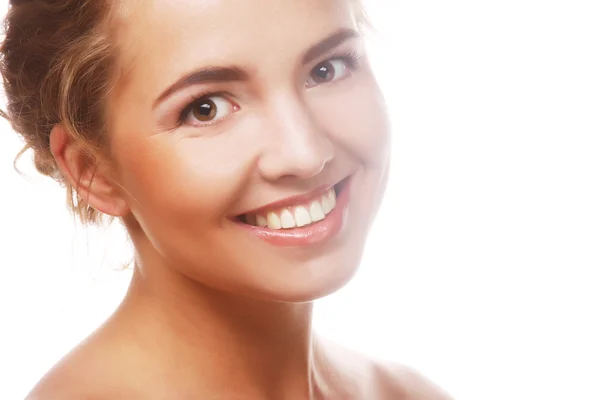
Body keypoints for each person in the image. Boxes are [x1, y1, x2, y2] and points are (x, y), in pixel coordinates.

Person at [1, 0, 453, 398]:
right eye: (207, 107)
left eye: (326, 69)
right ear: (93, 171)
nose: (306, 153)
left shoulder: (407, 393)